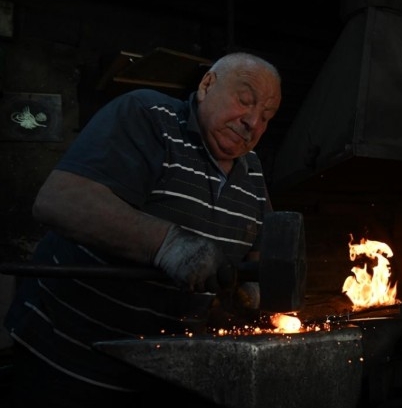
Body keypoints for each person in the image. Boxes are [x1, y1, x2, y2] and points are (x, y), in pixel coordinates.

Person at [4, 52, 282, 407]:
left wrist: (255, 289)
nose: (253, 123)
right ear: (207, 85)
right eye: (245, 101)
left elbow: (264, 246)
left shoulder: (253, 169)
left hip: (168, 373)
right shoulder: (148, 116)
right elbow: (59, 200)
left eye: (267, 117)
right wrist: (168, 244)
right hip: (71, 360)